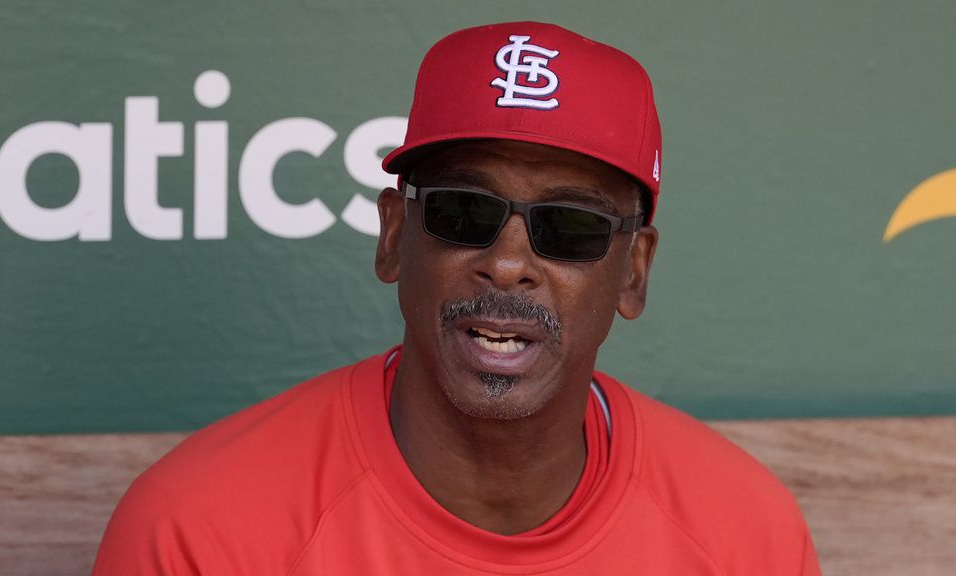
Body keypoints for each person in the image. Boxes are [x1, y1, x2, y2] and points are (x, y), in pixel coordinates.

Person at [93, 21, 821, 575]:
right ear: (394, 236)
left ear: (633, 272)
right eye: (463, 212)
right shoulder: (202, 532)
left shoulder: (744, 537)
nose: (507, 264)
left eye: (569, 227)